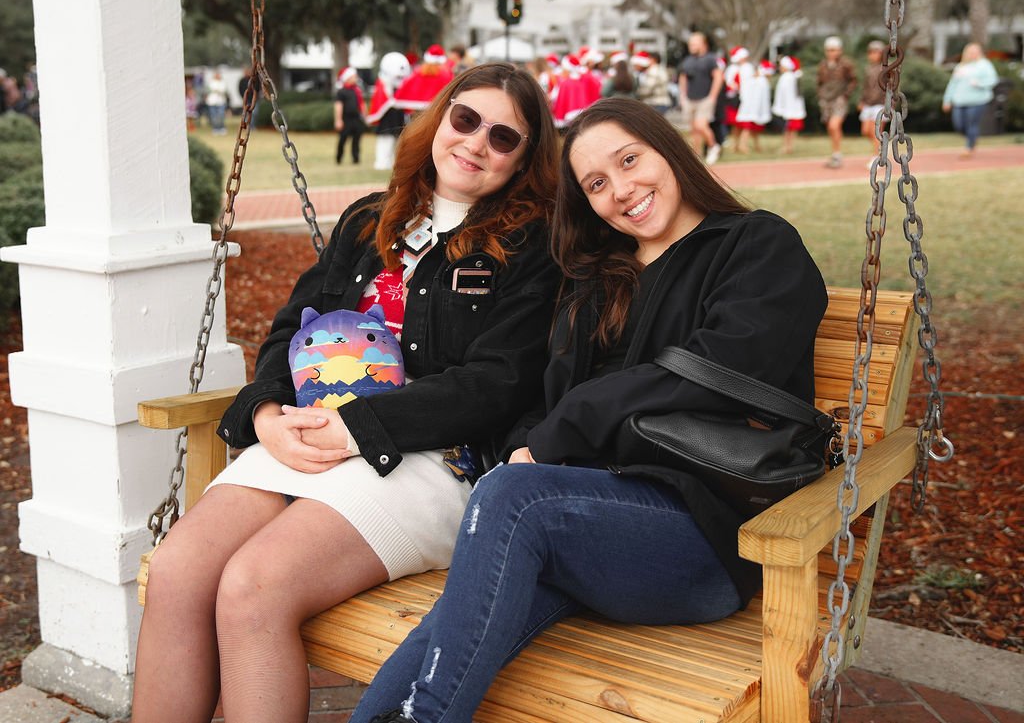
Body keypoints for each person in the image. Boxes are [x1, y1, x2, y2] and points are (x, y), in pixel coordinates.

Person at [350, 97, 828, 723]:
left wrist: (560, 434)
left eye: (631, 161)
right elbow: (545, 401)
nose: (622, 190)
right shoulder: (601, 279)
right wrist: (533, 439)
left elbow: (722, 373)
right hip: (577, 528)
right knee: (451, 626)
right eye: (597, 184)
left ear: (670, 151)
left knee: (511, 500)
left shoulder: (755, 245)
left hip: (704, 534)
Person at [131, 62, 562, 723]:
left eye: (503, 137)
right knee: (178, 570)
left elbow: (496, 383)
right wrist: (268, 412)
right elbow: (291, 329)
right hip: (310, 434)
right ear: (438, 119)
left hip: (430, 459)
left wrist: (359, 426)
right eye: (466, 119)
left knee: (253, 587)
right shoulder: (371, 220)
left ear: (525, 158)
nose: (476, 143)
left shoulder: (528, 246)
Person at [942, 42, 998, 159]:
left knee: (972, 124)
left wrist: (980, 83)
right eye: (971, 51)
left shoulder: (984, 65)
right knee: (959, 126)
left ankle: (969, 147)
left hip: (977, 101)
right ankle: (972, 138)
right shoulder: (961, 66)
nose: (973, 54)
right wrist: (947, 100)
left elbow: (993, 80)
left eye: (975, 51)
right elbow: (952, 84)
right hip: (959, 101)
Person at [678, 32, 725, 165]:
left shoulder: (710, 59)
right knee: (694, 130)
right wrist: (683, 95)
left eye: (694, 43)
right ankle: (697, 156)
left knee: (701, 125)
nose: (691, 46)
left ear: (703, 44)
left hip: (705, 98)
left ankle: (713, 146)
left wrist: (713, 96)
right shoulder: (688, 60)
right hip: (690, 98)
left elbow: (718, 77)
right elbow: (683, 77)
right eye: (690, 44)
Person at [816, 36, 857, 168]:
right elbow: (819, 82)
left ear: (840, 50)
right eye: (828, 50)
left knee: (834, 125)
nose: (831, 53)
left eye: (833, 50)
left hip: (839, 99)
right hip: (826, 100)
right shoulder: (823, 64)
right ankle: (835, 154)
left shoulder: (846, 64)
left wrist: (845, 95)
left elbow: (853, 80)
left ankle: (838, 154)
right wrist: (821, 94)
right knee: (830, 128)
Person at [367, 52, 412, 171]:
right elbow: (381, 101)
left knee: (398, 141)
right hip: (386, 118)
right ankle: (382, 163)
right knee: (385, 141)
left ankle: (395, 163)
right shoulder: (382, 84)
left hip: (398, 117)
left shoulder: (402, 85)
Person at [734, 59, 774, 154]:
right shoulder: (762, 81)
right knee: (747, 128)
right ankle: (742, 145)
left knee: (753, 129)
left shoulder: (756, 80)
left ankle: (756, 146)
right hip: (752, 110)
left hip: (750, 109)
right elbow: (759, 99)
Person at [858, 40, 887, 166]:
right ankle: (882, 146)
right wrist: (862, 100)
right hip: (869, 103)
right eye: (871, 52)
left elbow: (892, 88)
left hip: (881, 104)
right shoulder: (867, 69)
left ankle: (877, 156)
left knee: (876, 131)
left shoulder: (887, 69)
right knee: (865, 130)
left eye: (876, 52)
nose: (873, 55)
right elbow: (865, 87)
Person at [772, 55, 806, 155]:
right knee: (789, 129)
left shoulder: (788, 77)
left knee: (789, 128)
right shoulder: (792, 77)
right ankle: (788, 146)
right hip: (791, 107)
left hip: (790, 108)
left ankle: (787, 146)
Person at [333, 66, 367, 165]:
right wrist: (338, 120)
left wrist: (365, 116)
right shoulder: (341, 92)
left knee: (356, 139)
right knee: (343, 139)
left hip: (356, 118)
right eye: (354, 76)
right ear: (347, 78)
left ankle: (355, 158)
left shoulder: (357, 90)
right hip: (346, 119)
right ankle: (339, 158)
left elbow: (361, 103)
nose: (356, 78)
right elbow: (338, 106)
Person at [205, 68, 229, 135]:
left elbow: (223, 90)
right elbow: (208, 90)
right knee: (213, 116)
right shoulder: (211, 82)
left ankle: (221, 128)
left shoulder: (223, 82)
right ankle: (215, 128)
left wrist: (216, 90)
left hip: (221, 102)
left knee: (221, 115)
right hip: (212, 102)